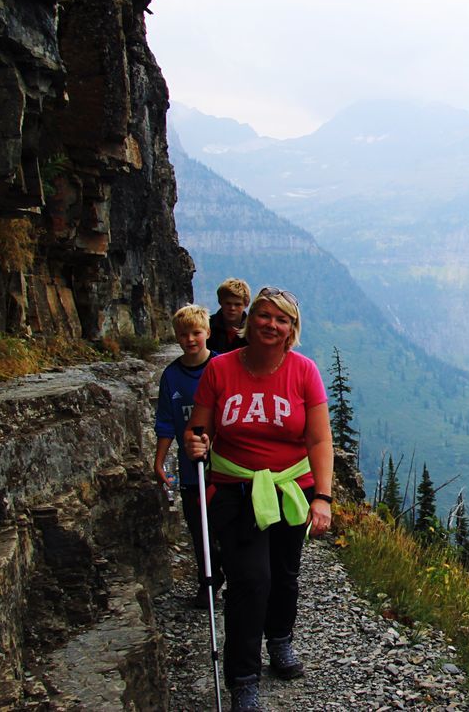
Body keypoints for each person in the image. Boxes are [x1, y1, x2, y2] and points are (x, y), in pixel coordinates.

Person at [184, 286, 333, 711]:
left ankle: (280, 639)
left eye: (282, 319)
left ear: (292, 330)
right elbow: (199, 428)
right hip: (234, 489)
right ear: (249, 321)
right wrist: (196, 443)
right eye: (264, 316)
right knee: (251, 581)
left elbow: (320, 439)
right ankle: (243, 679)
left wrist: (322, 497)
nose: (271, 324)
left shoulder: (304, 372)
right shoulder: (220, 369)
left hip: (290, 489)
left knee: (285, 576)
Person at [152, 304, 224, 607]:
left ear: (207, 332)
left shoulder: (221, 367)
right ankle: (207, 581)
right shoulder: (171, 377)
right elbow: (166, 420)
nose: (191, 339)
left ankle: (235, 577)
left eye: (196, 332)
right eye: (184, 335)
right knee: (199, 530)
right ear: (177, 338)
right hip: (190, 468)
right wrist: (159, 460)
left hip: (223, 468)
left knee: (225, 526)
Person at [208, 277, 251, 355]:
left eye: (237, 304)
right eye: (228, 303)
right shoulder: (207, 325)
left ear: (246, 304)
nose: (232, 308)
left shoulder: (253, 329)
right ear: (220, 302)